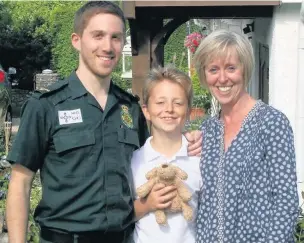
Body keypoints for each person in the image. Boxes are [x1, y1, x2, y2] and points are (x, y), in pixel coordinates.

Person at [5, 2, 202, 243]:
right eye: (98, 36)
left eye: (116, 38)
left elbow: (155, 151)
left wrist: (189, 139)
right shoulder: (46, 106)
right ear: (76, 40)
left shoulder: (129, 108)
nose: (107, 46)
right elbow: (20, 183)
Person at [193, 29, 299, 243]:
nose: (222, 78)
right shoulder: (208, 129)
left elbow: (286, 201)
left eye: (231, 68)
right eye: (213, 69)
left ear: (245, 69)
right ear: (204, 74)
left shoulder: (271, 122)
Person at [131, 66, 202, 243]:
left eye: (178, 103)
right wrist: (147, 204)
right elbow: (121, 214)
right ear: (146, 111)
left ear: (187, 111)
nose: (169, 109)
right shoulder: (134, 160)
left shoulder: (200, 158)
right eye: (160, 103)